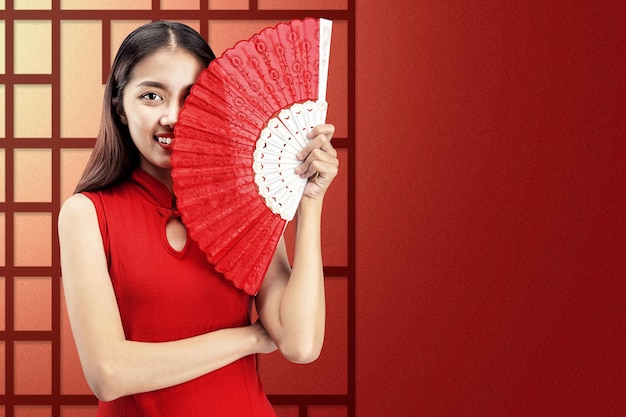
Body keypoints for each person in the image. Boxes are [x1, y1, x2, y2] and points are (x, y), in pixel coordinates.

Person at [58, 21, 338, 416]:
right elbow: (108, 373)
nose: (172, 116)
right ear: (120, 107)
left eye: (192, 97)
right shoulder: (86, 214)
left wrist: (310, 201)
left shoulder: (245, 204)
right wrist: (251, 340)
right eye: (151, 95)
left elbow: (299, 343)